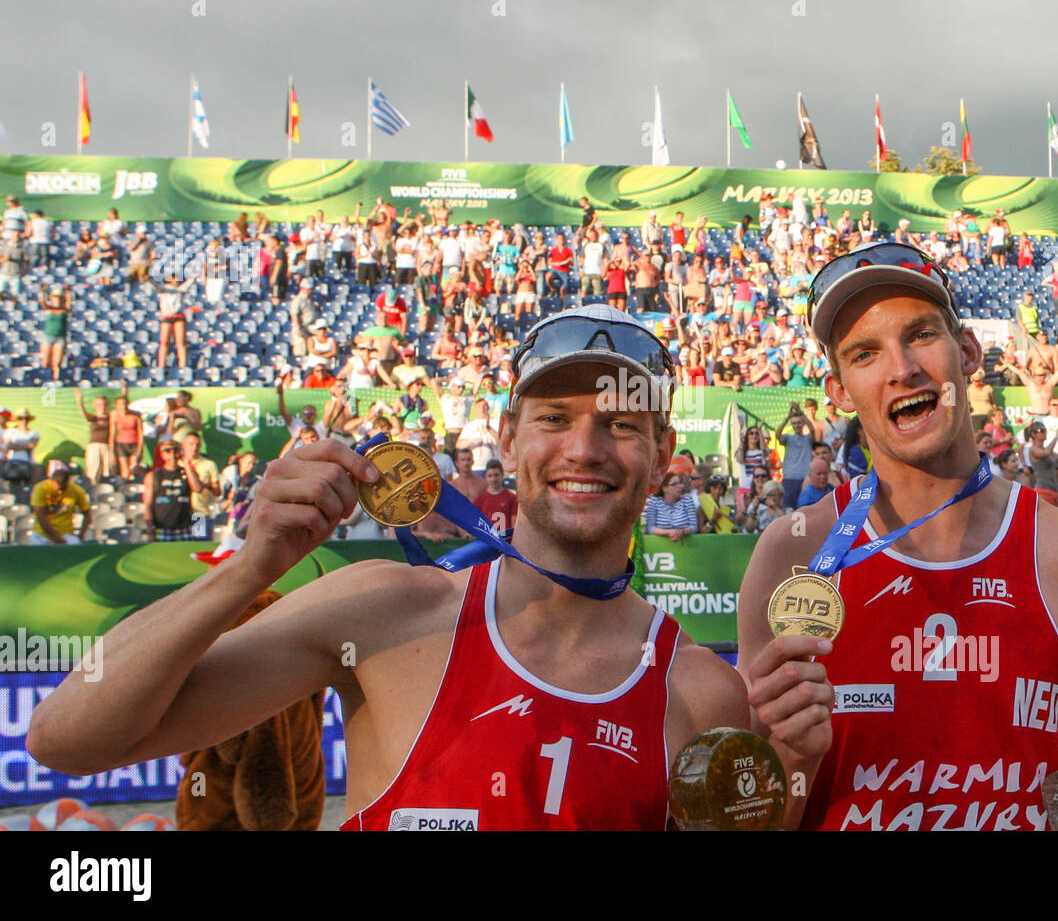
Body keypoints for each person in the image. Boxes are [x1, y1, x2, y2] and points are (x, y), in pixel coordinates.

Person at [28, 303, 748, 830]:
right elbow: (69, 739)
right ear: (505, 440)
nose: (584, 449)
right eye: (554, 419)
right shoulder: (388, 613)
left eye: (622, 425)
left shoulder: (703, 692)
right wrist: (248, 569)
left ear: (662, 457)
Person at [737, 241, 1058, 831]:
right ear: (838, 393)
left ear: (967, 353)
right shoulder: (793, 553)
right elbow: (754, 817)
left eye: (920, 335)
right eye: (864, 354)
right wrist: (789, 757)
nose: (901, 368)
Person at [142, 440, 198, 542]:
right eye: (168, 451)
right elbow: (148, 504)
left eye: (176, 451)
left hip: (184, 528)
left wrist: (187, 465)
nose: (172, 455)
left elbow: (197, 488)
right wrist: (150, 530)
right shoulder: (154, 475)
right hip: (163, 528)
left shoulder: (187, 473)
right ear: (162, 454)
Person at [29, 465, 93, 546]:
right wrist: (56, 538)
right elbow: (40, 515)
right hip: (42, 534)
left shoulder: (77, 491)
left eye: (63, 489)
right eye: (58, 489)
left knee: (75, 546)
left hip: (65, 534)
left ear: (68, 482)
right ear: (52, 481)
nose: (60, 492)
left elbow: (88, 514)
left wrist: (81, 535)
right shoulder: (41, 488)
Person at [642, 472, 697, 541]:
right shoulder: (654, 501)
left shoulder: (687, 499)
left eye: (680, 483)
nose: (680, 486)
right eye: (674, 484)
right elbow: (650, 528)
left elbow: (694, 527)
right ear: (665, 488)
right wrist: (668, 532)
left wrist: (682, 532)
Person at [73, 389, 113, 484]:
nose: (101, 407)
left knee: (107, 470)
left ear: (107, 406)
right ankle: (92, 488)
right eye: (99, 405)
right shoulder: (93, 417)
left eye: (103, 404)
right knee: (93, 471)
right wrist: (79, 401)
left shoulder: (111, 416)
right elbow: (84, 413)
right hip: (94, 446)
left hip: (107, 446)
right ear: (94, 406)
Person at [473, 459, 518, 533]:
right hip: (487, 541)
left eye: (496, 475)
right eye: (490, 476)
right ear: (485, 477)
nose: (493, 479)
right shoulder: (479, 499)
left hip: (505, 541)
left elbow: (515, 526)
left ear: (502, 475)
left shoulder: (512, 498)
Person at [107, 395, 144, 479]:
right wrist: (111, 452)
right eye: (120, 404)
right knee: (125, 471)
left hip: (134, 443)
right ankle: (124, 489)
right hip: (121, 444)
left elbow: (141, 433)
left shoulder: (136, 415)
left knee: (134, 469)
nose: (123, 406)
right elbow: (112, 434)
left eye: (124, 404)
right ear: (116, 405)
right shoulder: (114, 415)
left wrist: (139, 449)